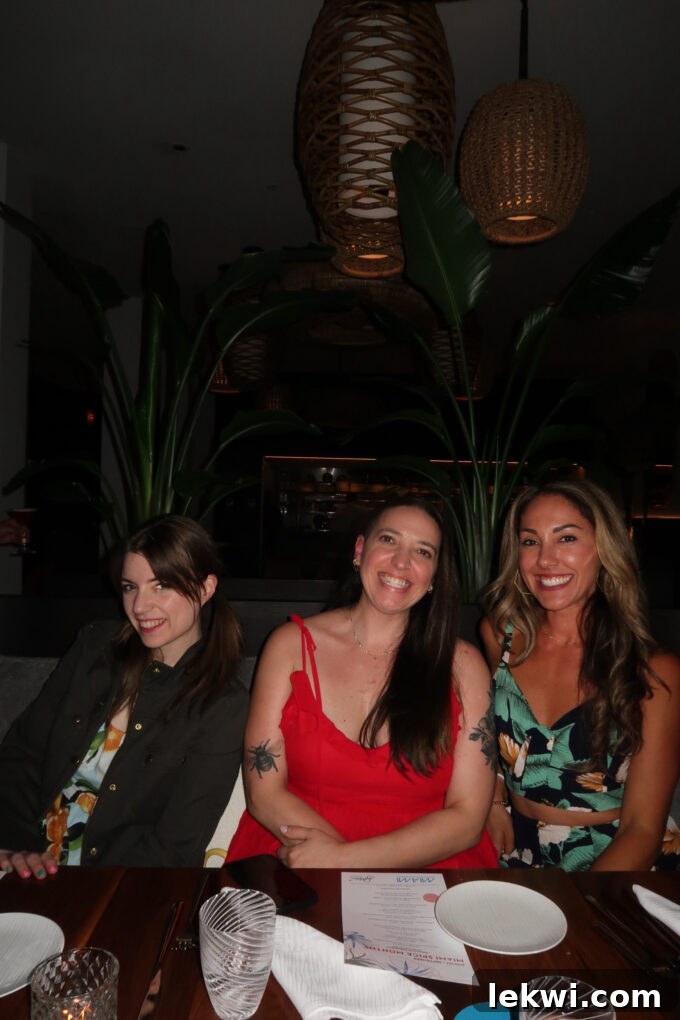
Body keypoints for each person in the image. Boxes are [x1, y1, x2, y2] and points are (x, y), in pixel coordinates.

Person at [228, 497, 497, 869]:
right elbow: (263, 793)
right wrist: (332, 862)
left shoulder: (463, 665)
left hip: (426, 864)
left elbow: (468, 818)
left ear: (435, 575)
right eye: (388, 540)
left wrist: (346, 860)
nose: (401, 562)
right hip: (299, 851)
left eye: (423, 551)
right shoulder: (290, 646)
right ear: (359, 550)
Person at [0, 515, 248, 877]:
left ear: (206, 587)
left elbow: (176, 847)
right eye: (130, 587)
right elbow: (22, 754)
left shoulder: (222, 705)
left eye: (161, 585)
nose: (139, 606)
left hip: (112, 886)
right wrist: (18, 848)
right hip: (22, 862)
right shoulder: (95, 649)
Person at [481, 479, 680, 871]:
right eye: (530, 541)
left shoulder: (655, 672)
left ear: (604, 549)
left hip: (613, 861)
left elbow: (642, 830)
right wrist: (494, 800)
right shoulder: (500, 636)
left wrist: (579, 901)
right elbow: (486, 735)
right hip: (517, 850)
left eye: (567, 538)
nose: (545, 559)